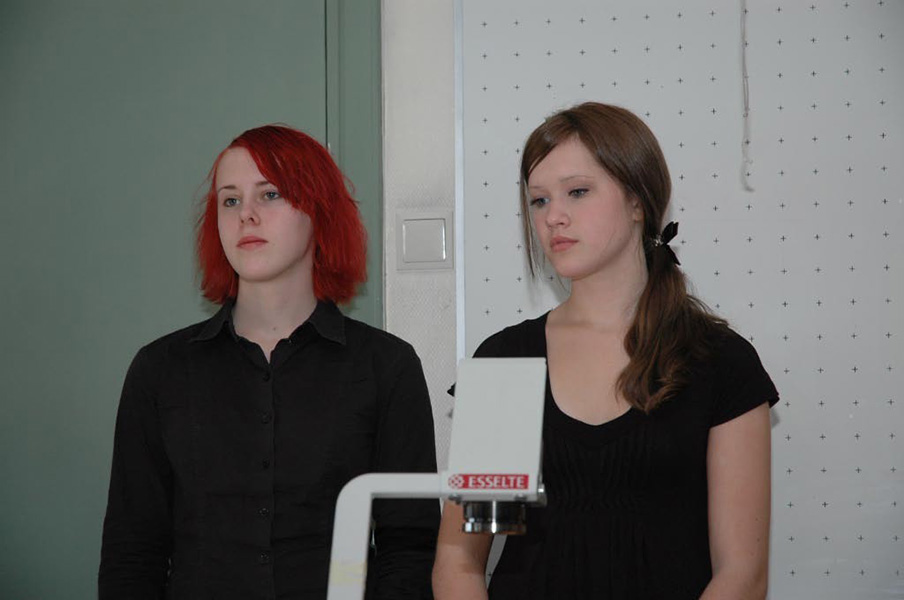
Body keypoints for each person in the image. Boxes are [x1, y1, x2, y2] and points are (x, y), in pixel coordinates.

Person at [433, 103, 778, 599]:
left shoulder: (719, 360)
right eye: (538, 200)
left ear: (638, 200)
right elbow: (459, 561)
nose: (553, 216)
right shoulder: (506, 360)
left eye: (577, 191)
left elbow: (742, 574)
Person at [99, 125, 439, 599]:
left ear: (318, 211)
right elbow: (133, 551)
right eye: (230, 200)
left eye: (270, 194)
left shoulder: (386, 366)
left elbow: (410, 547)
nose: (246, 215)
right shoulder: (160, 370)